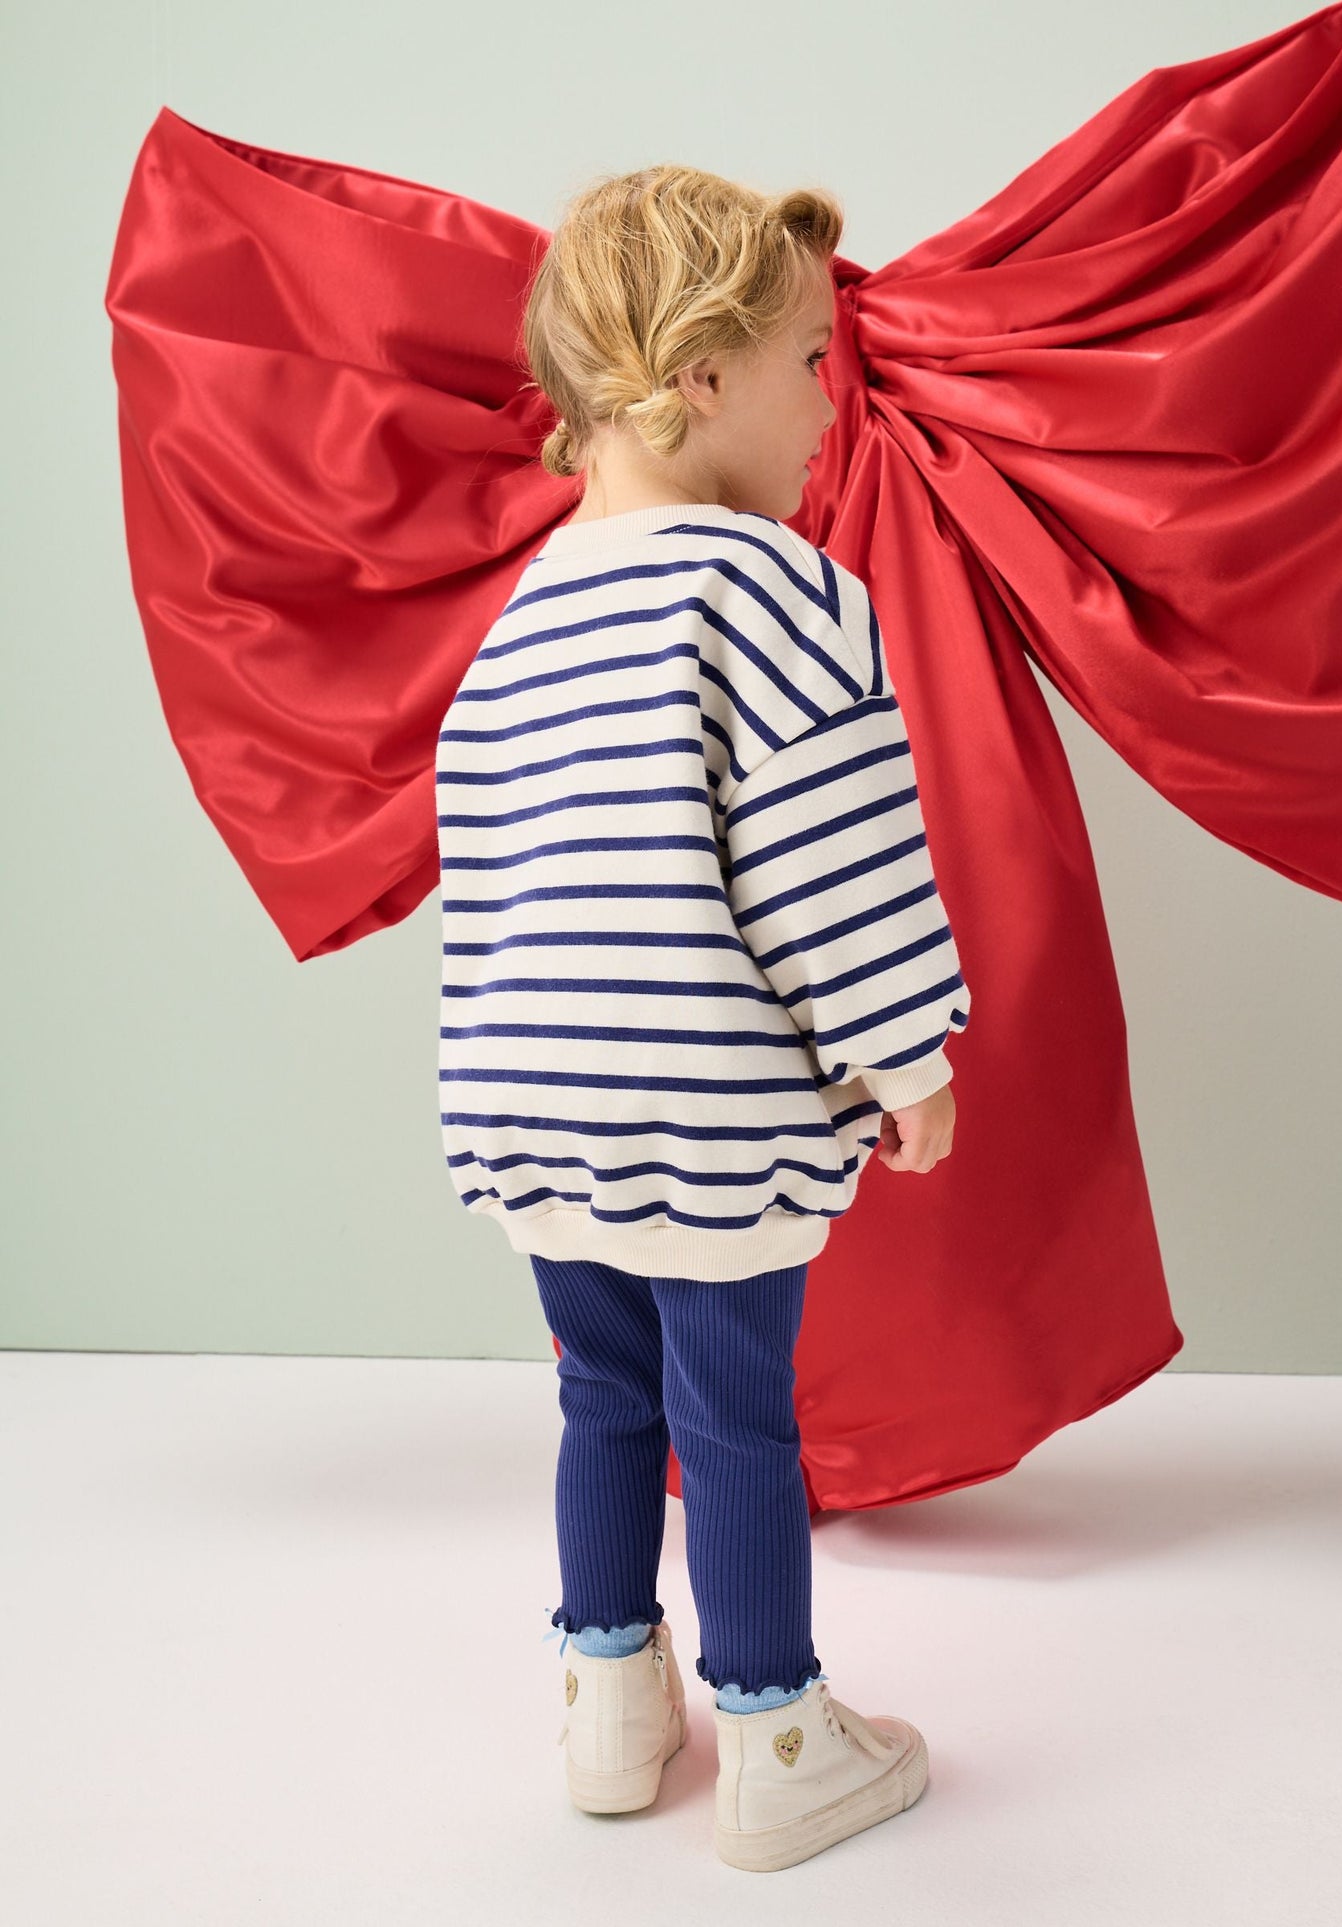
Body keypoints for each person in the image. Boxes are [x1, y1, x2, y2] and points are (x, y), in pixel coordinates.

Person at [434, 165, 955, 1869]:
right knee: (735, 1418)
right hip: (701, 1105)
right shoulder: (773, 593)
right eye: (812, 356)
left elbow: (489, 873)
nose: (833, 399)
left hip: (534, 1102)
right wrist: (904, 1054)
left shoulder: (513, 626)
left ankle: (606, 1705)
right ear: (703, 374)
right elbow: (831, 861)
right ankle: (777, 1732)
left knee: (602, 1390)